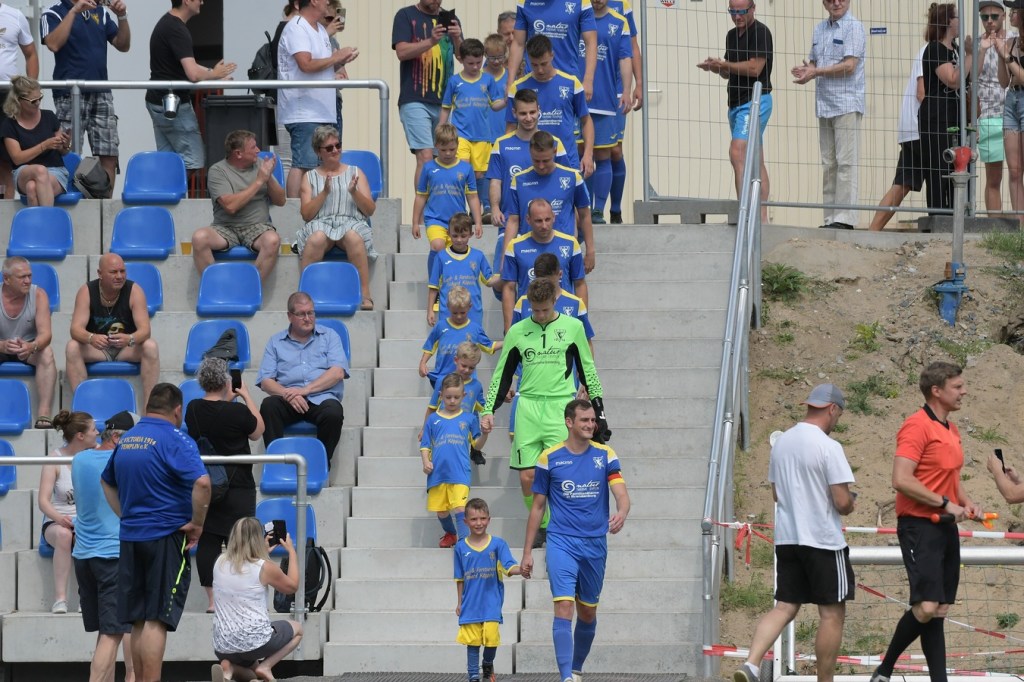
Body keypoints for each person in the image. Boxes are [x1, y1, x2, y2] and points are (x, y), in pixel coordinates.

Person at [732, 384, 855, 682]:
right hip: (822, 540)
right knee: (832, 614)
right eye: (838, 414)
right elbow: (842, 503)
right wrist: (852, 500)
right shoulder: (829, 446)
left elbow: (776, 494)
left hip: (788, 539)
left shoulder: (782, 443)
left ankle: (751, 663)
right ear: (832, 409)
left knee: (785, 607)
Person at [870, 362, 981, 682]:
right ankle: (884, 670)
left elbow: (951, 477)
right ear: (936, 391)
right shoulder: (916, 425)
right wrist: (945, 502)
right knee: (927, 606)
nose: (964, 392)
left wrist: (966, 502)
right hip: (919, 525)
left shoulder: (952, 429)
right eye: (957, 387)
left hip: (945, 526)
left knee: (939, 610)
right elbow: (901, 479)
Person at [482, 279, 608, 550]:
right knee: (527, 477)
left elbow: (588, 370)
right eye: (535, 310)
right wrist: (488, 409)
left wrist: (599, 411)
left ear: (554, 302)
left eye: (545, 310)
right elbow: (502, 374)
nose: (539, 315)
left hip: (560, 407)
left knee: (562, 474)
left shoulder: (573, 327)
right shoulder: (517, 331)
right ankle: (545, 525)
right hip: (527, 407)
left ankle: (564, 528)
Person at [99, 383, 211, 682]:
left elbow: (106, 481)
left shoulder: (127, 439)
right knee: (156, 619)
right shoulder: (176, 438)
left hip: (131, 536)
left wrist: (126, 515)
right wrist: (197, 523)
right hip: (165, 536)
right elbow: (202, 483)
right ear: (177, 410)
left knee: (137, 619)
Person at [520, 399, 629, 682]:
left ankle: (576, 668)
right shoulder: (549, 458)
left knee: (588, 612)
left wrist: (622, 511)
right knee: (564, 606)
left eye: (592, 420)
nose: (591, 425)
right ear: (569, 422)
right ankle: (566, 676)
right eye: (585, 420)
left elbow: (621, 493)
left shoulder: (605, 454)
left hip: (594, 544)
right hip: (561, 542)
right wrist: (527, 552)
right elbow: (538, 507)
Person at [184, 356, 264, 613]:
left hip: (207, 482)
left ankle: (212, 601)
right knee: (240, 540)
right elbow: (258, 431)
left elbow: (215, 417)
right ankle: (238, 597)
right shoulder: (237, 411)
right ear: (225, 382)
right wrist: (246, 395)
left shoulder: (193, 408)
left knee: (208, 539)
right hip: (238, 484)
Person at [71, 409, 137, 682]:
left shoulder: (79, 459)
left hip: (83, 556)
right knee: (113, 634)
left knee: (106, 634)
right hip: (112, 556)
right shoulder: (120, 462)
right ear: (119, 438)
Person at [41, 0, 130, 194]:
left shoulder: (101, 12)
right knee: (68, 152)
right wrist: (74, 11)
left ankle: (104, 207)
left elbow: (123, 45)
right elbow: (53, 44)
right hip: (69, 93)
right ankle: (72, 205)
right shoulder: (53, 12)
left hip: (101, 91)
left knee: (108, 153)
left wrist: (122, 16)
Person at [791, 0, 866, 230]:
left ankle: (844, 218)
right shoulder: (819, 29)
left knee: (846, 163)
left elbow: (850, 66)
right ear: (824, 3)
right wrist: (807, 71)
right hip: (824, 104)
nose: (836, 3)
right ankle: (830, 218)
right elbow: (814, 63)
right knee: (829, 164)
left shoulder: (854, 27)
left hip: (846, 104)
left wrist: (816, 71)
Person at [697, 0, 772, 224]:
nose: (737, 17)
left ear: (753, 8)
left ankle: (745, 214)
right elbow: (729, 72)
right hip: (736, 103)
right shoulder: (731, 35)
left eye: (741, 12)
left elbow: (754, 68)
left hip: (755, 101)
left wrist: (726, 65)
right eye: (733, 12)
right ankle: (762, 219)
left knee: (737, 152)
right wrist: (717, 67)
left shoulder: (761, 32)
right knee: (755, 159)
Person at [256, 291, 349, 467]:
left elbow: (337, 372)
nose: (308, 318)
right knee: (269, 406)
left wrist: (305, 390)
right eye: (301, 314)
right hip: (288, 399)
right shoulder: (275, 342)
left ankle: (321, 464)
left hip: (321, 397)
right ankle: (276, 465)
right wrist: (288, 394)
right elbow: (266, 381)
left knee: (334, 413)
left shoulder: (330, 336)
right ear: (290, 316)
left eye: (311, 312)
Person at [146, 0, 236, 174]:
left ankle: (166, 190)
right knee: (193, 160)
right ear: (186, 1)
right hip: (173, 104)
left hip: (158, 101)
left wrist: (214, 75)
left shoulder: (168, 24)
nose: (202, 2)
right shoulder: (177, 29)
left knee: (168, 161)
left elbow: (188, 66)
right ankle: (174, 190)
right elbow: (193, 73)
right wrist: (214, 74)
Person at [278, 0, 358, 198]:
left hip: (323, 109)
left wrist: (339, 63)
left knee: (319, 165)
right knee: (303, 163)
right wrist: (336, 57)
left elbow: (321, 66)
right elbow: (305, 64)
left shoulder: (320, 30)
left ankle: (312, 206)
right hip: (304, 111)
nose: (328, 3)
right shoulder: (296, 27)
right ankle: (294, 209)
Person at [487, 90, 570, 277]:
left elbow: (567, 183)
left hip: (548, 228)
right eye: (523, 113)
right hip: (511, 224)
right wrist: (495, 208)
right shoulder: (501, 144)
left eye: (532, 112)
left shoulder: (554, 144)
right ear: (514, 113)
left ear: (539, 110)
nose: (528, 118)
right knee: (502, 279)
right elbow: (495, 181)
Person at [211, 517, 303, 682]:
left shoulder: (219, 562)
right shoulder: (264, 567)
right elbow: (292, 586)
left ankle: (229, 668)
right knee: (298, 629)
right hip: (255, 642)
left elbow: (243, 570)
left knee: (252, 675)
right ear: (257, 539)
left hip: (223, 646)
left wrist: (264, 555)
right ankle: (266, 666)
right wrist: (292, 552)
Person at [296, 124, 377, 310]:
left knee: (353, 236)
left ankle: (365, 295)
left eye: (338, 145)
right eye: (329, 148)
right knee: (316, 238)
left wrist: (354, 192)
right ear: (318, 151)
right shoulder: (309, 177)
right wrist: (324, 192)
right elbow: (306, 214)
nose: (335, 150)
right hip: (320, 222)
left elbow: (370, 210)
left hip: (351, 221)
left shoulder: (356, 172)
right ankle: (304, 297)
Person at [65, 253, 159, 408]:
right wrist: (91, 337)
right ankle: (83, 407)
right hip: (98, 349)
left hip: (126, 349)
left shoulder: (134, 290)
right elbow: (75, 329)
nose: (119, 276)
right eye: (113, 272)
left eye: (122, 271)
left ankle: (149, 409)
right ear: (100, 273)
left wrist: (130, 338)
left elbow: (145, 331)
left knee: (151, 346)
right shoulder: (87, 291)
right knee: (72, 347)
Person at [191, 130, 285, 282]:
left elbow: (281, 201)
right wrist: (259, 181)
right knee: (199, 238)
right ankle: (215, 287)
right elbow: (231, 206)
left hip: (258, 226)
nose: (258, 150)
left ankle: (250, 288)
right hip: (225, 227)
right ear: (238, 154)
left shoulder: (260, 164)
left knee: (272, 240)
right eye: (253, 147)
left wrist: (268, 178)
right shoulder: (218, 171)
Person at [392, 0, 463, 189]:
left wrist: (457, 38)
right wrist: (431, 41)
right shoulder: (405, 15)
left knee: (445, 156)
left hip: (445, 102)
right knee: (425, 156)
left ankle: (439, 203)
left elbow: (464, 58)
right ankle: (422, 208)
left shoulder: (451, 18)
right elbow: (401, 52)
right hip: (415, 98)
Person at [504, 132, 594, 274]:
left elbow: (584, 215)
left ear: (555, 151)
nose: (541, 166)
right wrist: (505, 258)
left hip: (563, 253)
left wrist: (590, 250)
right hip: (529, 255)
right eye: (536, 160)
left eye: (546, 160)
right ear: (530, 152)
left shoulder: (572, 177)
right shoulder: (519, 180)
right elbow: (513, 221)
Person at [454, 497, 523, 682]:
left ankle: (487, 664)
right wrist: (459, 603)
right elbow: (459, 578)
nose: (479, 523)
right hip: (470, 604)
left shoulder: (498, 544)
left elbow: (509, 566)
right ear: (466, 521)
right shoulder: (460, 547)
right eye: (474, 519)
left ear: (489, 520)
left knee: (492, 639)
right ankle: (473, 676)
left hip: (491, 602)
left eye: (483, 518)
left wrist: (522, 570)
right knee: (472, 642)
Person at [507, 34, 594, 177]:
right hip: (532, 163)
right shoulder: (517, 87)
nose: (540, 70)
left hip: (567, 160)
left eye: (544, 64)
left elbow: (586, 120)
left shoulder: (571, 83)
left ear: (552, 56)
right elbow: (511, 127)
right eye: (534, 65)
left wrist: (588, 154)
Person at [39, 409, 98, 614]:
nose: (97, 433)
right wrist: (60, 519)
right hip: (57, 521)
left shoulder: (96, 455)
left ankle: (87, 598)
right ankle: (60, 599)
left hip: (86, 521)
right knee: (64, 535)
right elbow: (43, 501)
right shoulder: (54, 458)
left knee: (84, 533)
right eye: (93, 429)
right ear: (80, 435)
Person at [440, 38, 506, 219]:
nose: (475, 66)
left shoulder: (488, 80)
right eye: (470, 63)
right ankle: (459, 208)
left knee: (479, 174)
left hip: (483, 136)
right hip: (461, 135)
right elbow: (446, 107)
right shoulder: (455, 81)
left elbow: (495, 105)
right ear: (461, 60)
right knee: (463, 170)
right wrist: (441, 128)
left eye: (478, 62)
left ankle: (479, 208)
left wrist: (506, 100)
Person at [500, 198, 587, 332]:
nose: (544, 225)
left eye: (547, 219)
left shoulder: (570, 244)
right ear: (528, 220)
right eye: (538, 221)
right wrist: (508, 329)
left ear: (554, 217)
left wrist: (582, 319)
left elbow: (580, 283)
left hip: (564, 316)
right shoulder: (515, 246)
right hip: (529, 317)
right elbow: (509, 289)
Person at [583, 0, 632, 225]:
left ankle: (599, 210)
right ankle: (583, 208)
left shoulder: (619, 21)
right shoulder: (576, 16)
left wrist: (627, 90)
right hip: (577, 99)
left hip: (605, 98)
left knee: (605, 154)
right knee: (581, 155)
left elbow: (625, 57)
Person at [411, 123, 483, 277]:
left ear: (457, 145)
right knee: (438, 246)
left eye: (452, 149)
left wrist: (477, 222)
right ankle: (434, 283)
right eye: (443, 150)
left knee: (454, 254)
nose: (448, 153)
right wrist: (415, 222)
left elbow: (472, 196)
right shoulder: (429, 168)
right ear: (436, 146)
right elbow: (421, 196)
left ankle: (450, 283)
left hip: (457, 220)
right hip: (435, 219)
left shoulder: (465, 168)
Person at [919, 3, 970, 213]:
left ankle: (957, 216)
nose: (961, 21)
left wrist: (980, 51)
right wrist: (970, 55)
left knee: (957, 169)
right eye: (958, 17)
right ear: (947, 21)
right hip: (936, 118)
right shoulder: (935, 48)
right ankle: (939, 217)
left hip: (955, 117)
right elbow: (953, 79)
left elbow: (971, 74)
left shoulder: (956, 50)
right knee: (939, 170)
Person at [869, 44, 926, 232]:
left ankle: (872, 231)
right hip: (922, 129)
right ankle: (943, 234)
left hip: (913, 129)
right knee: (940, 183)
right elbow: (922, 93)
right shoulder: (931, 50)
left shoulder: (938, 49)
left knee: (902, 184)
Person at [421, 372, 481, 547]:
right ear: (441, 396)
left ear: (464, 395)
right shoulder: (433, 420)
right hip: (438, 473)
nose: (452, 401)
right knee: (441, 512)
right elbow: (425, 445)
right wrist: (425, 462)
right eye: (448, 397)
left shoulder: (469, 419)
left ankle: (463, 543)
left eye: (456, 397)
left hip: (460, 472)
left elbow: (477, 444)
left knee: (460, 508)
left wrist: (485, 434)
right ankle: (451, 534)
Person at [0, 256, 56, 427]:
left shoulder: (38, 295)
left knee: (46, 353)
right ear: (6, 279)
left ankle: (44, 414)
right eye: (22, 277)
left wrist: (32, 346)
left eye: (29, 276)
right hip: (1, 346)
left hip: (29, 346)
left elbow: (46, 334)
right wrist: (2, 346)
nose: (27, 281)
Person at [1, 75, 70, 207]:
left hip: (55, 171)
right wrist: (44, 145)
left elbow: (63, 152)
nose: (38, 103)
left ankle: (39, 221)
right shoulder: (9, 124)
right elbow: (17, 159)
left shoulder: (49, 116)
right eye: (33, 101)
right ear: (18, 100)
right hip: (23, 171)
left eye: (40, 98)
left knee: (32, 188)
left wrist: (66, 145)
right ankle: (50, 217)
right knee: (40, 171)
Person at [506, 0, 597, 99]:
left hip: (568, 81)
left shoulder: (582, 2)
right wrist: (510, 82)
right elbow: (518, 44)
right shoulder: (524, 2)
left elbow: (591, 43)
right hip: (533, 81)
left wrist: (588, 80)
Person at [421, 341, 488, 466]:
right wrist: (424, 429)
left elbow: (484, 408)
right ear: (456, 360)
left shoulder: (476, 385)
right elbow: (432, 408)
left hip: (461, 431)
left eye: (472, 367)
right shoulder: (442, 380)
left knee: (458, 460)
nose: (467, 370)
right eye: (464, 365)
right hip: (442, 429)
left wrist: (489, 415)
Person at [419, 285, 499, 388]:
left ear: (469, 307)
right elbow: (430, 346)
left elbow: (489, 346)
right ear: (448, 306)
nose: (459, 316)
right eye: (455, 313)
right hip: (443, 379)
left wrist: (508, 341)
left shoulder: (475, 329)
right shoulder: (440, 326)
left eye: (462, 312)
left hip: (465, 381)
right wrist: (423, 363)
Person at [427, 212, 500, 326]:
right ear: (448, 234)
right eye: (455, 236)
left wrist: (505, 275)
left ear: (470, 234)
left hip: (473, 314)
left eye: (463, 236)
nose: (459, 240)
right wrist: (430, 310)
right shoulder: (441, 257)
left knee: (471, 339)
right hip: (447, 314)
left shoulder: (478, 256)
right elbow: (433, 286)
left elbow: (489, 280)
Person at [0, 1, 38, 196]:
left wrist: (30, 92)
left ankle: (5, 208)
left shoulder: (15, 15)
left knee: (5, 158)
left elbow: (30, 54)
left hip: (6, 95)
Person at [978, 2, 1010, 216]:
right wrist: (981, 49)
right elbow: (971, 76)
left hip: (1015, 113)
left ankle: (1020, 226)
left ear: (1004, 16)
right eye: (984, 17)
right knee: (994, 178)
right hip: (989, 115)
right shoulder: (976, 42)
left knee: (1016, 174)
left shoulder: (1014, 39)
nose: (989, 21)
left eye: (994, 16)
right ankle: (995, 226)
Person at [999, 3, 1024, 224]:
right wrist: (1000, 55)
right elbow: (1003, 81)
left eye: (1014, 10)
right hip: (1011, 100)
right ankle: (1020, 225)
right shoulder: (1011, 42)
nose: (1010, 14)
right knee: (1014, 171)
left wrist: (1007, 57)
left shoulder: (1011, 48)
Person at [483, 33, 511, 150]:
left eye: (500, 57)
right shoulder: (479, 77)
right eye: (492, 58)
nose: (496, 61)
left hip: (504, 132)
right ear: (485, 55)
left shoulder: (510, 77)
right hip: (483, 135)